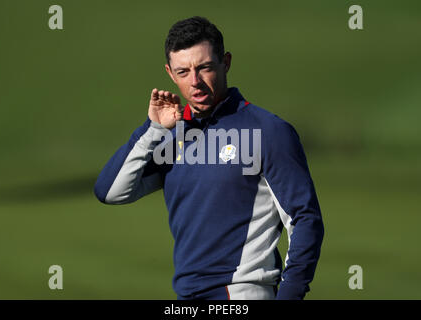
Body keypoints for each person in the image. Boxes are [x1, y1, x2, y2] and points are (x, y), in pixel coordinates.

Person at [94, 16, 324, 300]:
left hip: (242, 294)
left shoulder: (268, 131)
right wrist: (152, 128)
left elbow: (304, 219)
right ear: (170, 73)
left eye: (204, 68)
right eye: (183, 71)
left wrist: (290, 294)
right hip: (187, 297)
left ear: (225, 63)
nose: (195, 82)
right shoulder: (173, 137)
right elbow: (110, 192)